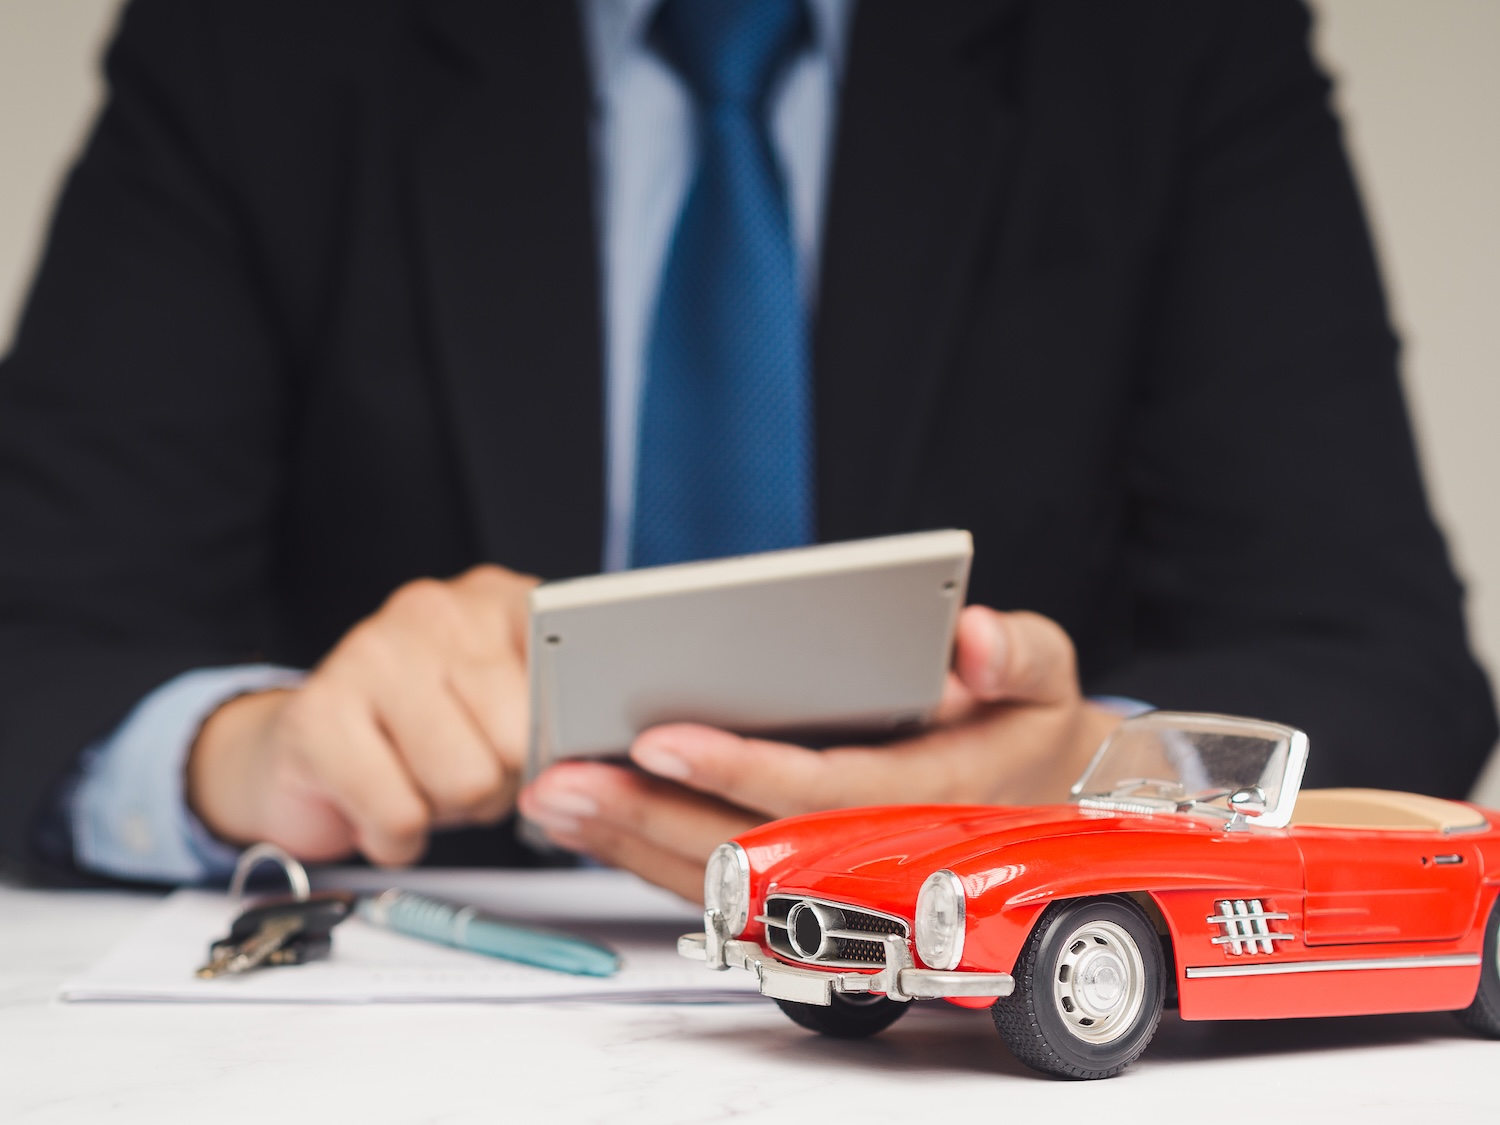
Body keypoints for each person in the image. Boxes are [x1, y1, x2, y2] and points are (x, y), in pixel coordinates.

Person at [0, 0, 1494, 900]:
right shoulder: (256, 40)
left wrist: (1112, 778)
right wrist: (241, 752)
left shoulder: (1167, 42)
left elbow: (1382, 662)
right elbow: (39, 637)